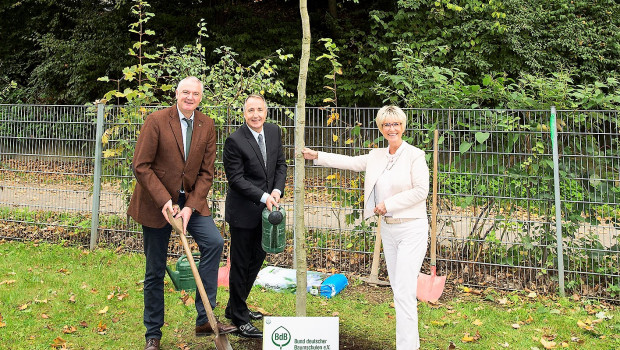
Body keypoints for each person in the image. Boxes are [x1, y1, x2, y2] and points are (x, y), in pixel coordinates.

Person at [302, 105, 429, 350]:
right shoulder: (377, 156)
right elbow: (349, 162)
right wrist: (316, 156)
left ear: (403, 126)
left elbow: (421, 191)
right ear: (381, 128)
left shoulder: (415, 155)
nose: (392, 129)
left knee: (403, 292)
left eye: (396, 124)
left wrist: (388, 204)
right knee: (398, 289)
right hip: (389, 230)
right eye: (386, 125)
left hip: (412, 228)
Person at [128, 76, 236, 350]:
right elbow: (141, 165)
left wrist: (189, 207)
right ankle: (153, 333)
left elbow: (205, 173)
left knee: (213, 242)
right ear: (176, 94)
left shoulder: (206, 124)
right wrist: (166, 201)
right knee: (155, 267)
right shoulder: (157, 121)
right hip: (157, 204)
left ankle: (205, 317)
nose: (190, 97)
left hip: (190, 202)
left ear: (201, 97)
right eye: (185, 92)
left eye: (195, 93)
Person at [223, 94, 287, 338]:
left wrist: (277, 190)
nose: (256, 114)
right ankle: (239, 319)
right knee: (240, 264)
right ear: (244, 113)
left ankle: (234, 306)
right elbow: (236, 179)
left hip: (267, 211)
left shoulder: (273, 132)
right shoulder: (235, 141)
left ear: (266, 111)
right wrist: (264, 197)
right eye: (251, 110)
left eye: (260, 109)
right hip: (243, 213)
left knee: (257, 259)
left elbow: (280, 165)